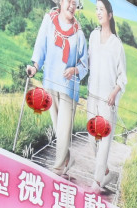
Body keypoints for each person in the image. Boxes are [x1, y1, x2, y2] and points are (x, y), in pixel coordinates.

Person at [27, 0, 89, 175]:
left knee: (63, 129)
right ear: (61, 2)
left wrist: (75, 69)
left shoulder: (79, 33)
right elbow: (41, 46)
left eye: (75, 3)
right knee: (57, 128)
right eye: (69, 1)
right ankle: (68, 157)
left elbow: (85, 64)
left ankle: (57, 170)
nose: (72, 5)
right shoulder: (49, 20)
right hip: (51, 82)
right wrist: (35, 66)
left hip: (70, 88)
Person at [86, 0, 126, 192]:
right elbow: (87, 61)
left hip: (107, 102)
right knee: (91, 138)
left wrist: (114, 93)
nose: (98, 12)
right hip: (92, 96)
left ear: (110, 15)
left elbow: (123, 77)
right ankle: (107, 173)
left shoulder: (117, 45)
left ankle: (97, 182)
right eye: (96, 9)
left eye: (102, 9)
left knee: (104, 143)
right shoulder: (93, 36)